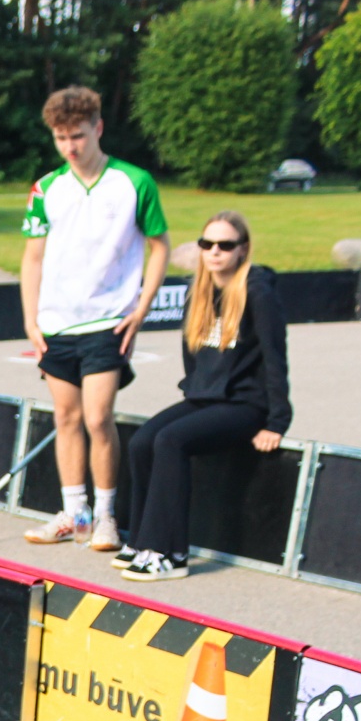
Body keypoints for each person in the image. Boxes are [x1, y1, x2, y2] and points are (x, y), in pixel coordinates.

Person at [19, 85, 170, 553]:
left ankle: (106, 517)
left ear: (98, 128)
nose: (70, 147)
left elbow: (160, 245)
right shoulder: (46, 187)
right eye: (61, 138)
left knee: (98, 417)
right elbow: (33, 257)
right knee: (66, 417)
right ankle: (75, 515)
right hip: (56, 323)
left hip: (108, 322)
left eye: (78, 136)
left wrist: (142, 308)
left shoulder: (134, 182)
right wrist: (31, 319)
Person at [115, 211, 290, 583]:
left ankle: (170, 552)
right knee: (142, 441)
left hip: (245, 405)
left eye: (225, 245)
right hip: (205, 397)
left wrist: (276, 421)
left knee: (171, 440)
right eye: (207, 244)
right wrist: (195, 390)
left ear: (243, 249)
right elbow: (192, 356)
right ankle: (141, 541)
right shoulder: (199, 292)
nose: (215, 252)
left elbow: (275, 358)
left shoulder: (258, 292)